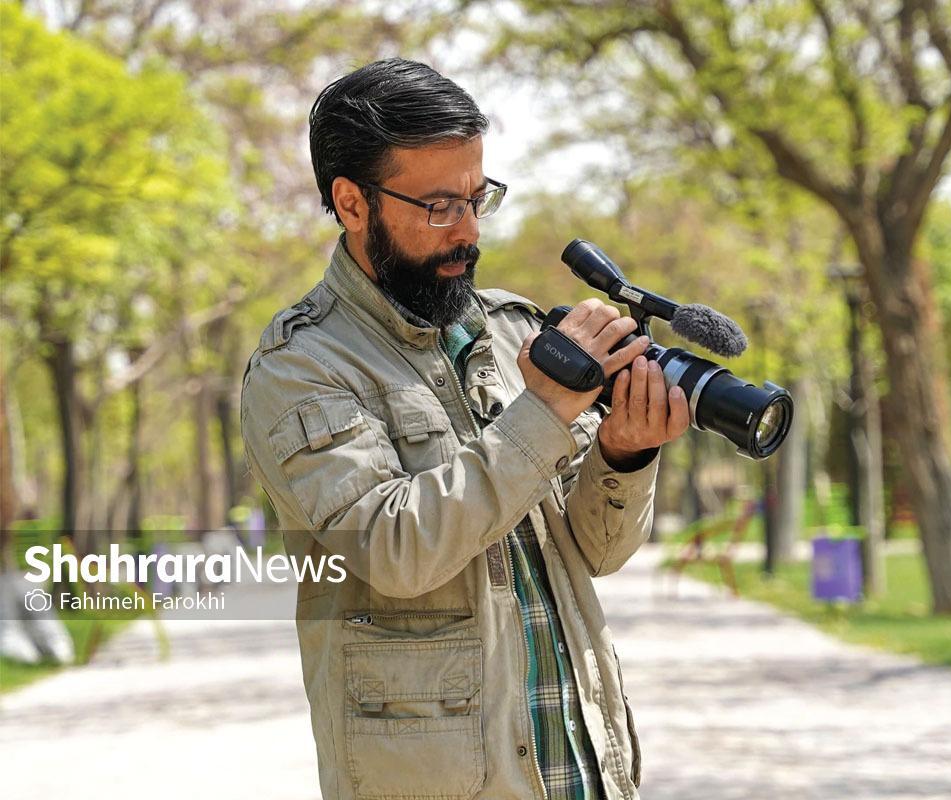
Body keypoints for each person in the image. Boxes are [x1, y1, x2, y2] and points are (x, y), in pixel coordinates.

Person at [239, 58, 689, 800]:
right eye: (441, 206)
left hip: (581, 774)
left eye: (479, 200)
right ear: (352, 203)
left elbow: (593, 555)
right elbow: (393, 550)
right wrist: (543, 412)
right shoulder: (302, 366)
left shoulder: (512, 328)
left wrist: (624, 451)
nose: (470, 232)